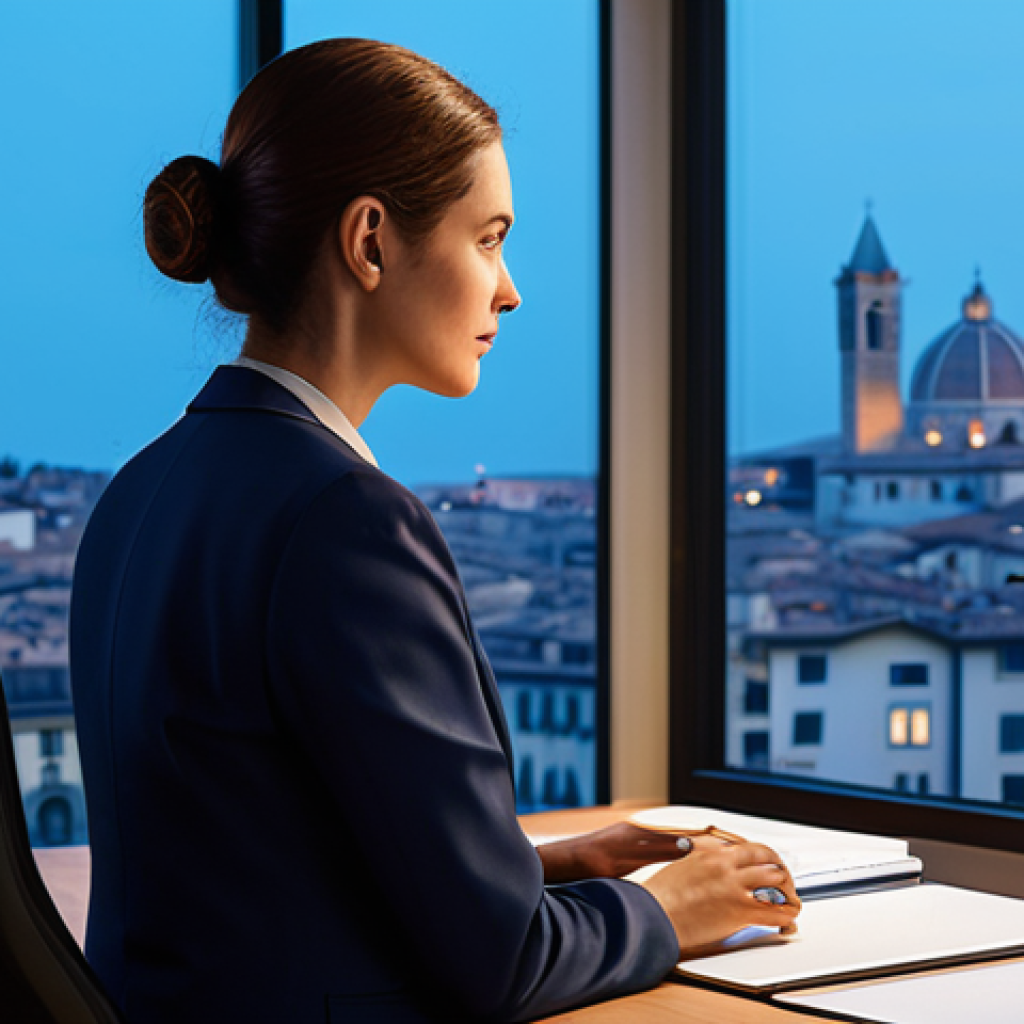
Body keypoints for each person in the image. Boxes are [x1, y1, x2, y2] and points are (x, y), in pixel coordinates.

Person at [70, 37, 800, 1024]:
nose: (509, 289)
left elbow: (254, 866)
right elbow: (501, 966)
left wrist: (529, 868)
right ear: (370, 241)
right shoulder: (345, 519)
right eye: (488, 237)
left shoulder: (138, 491)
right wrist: (668, 908)